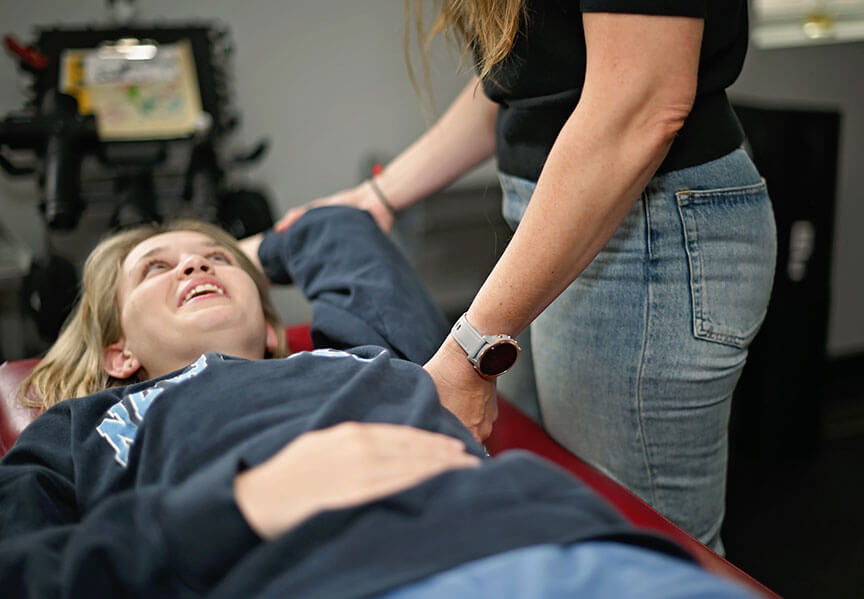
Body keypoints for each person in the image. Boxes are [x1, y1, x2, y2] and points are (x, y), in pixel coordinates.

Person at [0, 206, 756, 597]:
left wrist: (240, 249)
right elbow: (24, 571)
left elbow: (337, 231)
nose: (194, 260)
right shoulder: (88, 429)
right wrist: (243, 504)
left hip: (555, 544)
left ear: (270, 327)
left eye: (211, 258)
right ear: (119, 353)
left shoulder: (361, 352)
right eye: (153, 269)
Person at [275, 1, 777, 552]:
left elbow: (643, 103)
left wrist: (472, 350)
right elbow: (523, 93)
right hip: (561, 227)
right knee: (554, 512)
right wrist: (378, 197)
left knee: (644, 556)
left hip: (646, 228)